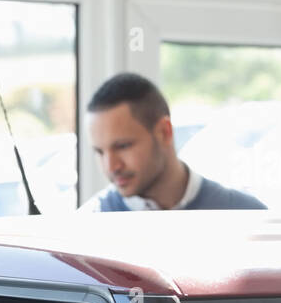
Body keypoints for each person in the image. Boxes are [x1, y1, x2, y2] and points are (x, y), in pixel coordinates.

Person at [78, 72, 267, 212]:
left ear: (164, 132)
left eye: (123, 146)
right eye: (100, 152)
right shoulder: (89, 228)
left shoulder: (244, 216)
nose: (111, 166)